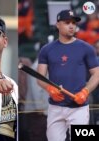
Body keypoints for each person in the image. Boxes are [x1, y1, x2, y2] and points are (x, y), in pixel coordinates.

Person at [37, 9, 99, 141]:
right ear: (58, 24)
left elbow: (97, 74)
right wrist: (49, 88)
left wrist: (85, 92)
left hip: (79, 108)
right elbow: (40, 77)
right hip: (55, 107)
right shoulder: (46, 50)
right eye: (67, 22)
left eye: (73, 23)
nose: (71, 26)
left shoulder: (87, 48)